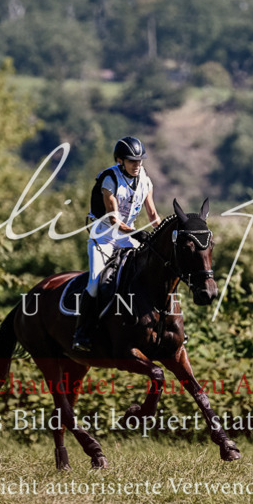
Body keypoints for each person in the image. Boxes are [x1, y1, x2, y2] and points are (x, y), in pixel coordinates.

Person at [72, 136, 161, 353]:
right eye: (132, 161)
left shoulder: (145, 180)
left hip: (127, 235)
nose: (137, 165)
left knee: (149, 272)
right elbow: (114, 220)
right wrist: (139, 234)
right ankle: (81, 332)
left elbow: (152, 214)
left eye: (140, 161)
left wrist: (164, 233)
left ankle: (161, 324)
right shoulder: (110, 180)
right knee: (94, 282)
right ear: (120, 161)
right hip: (103, 236)